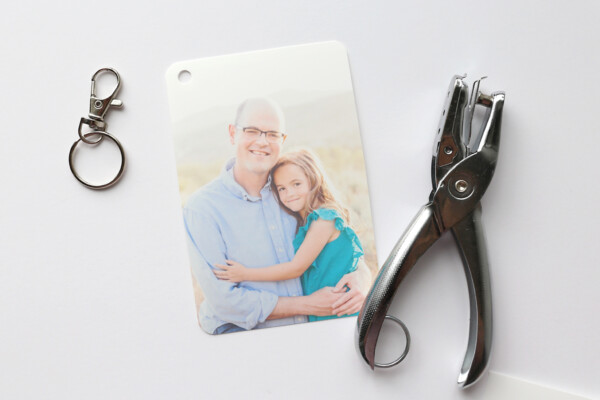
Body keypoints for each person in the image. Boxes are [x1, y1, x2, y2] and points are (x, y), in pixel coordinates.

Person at [183, 98, 370, 334]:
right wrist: (308, 305)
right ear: (233, 134)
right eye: (252, 131)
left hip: (316, 329)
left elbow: (338, 247)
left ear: (282, 141)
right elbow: (224, 302)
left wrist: (361, 277)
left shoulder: (294, 193)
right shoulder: (202, 209)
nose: (262, 141)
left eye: (272, 134)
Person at [214, 149, 364, 322]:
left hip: (340, 309)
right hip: (323, 309)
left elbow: (295, 268)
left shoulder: (324, 219)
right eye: (282, 188)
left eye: (296, 184)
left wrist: (245, 274)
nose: (289, 193)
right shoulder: (306, 220)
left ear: (313, 180)